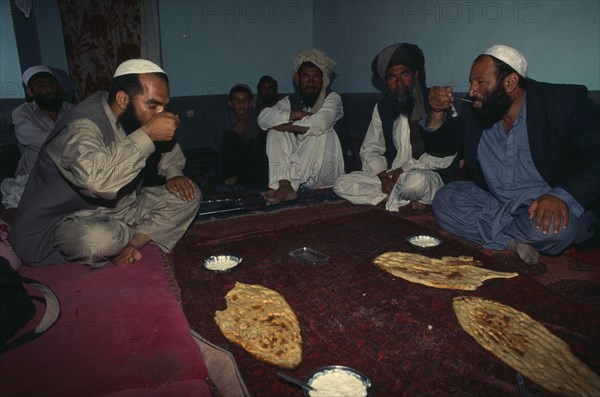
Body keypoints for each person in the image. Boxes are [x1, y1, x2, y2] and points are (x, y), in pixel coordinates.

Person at [8, 59, 201, 267]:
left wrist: (174, 172)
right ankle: (126, 234)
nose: (160, 114)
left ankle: (131, 243)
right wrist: (148, 134)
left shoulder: (126, 114)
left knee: (189, 196)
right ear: (123, 99)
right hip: (66, 218)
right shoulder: (80, 126)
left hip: (121, 206)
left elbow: (165, 148)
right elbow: (97, 182)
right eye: (153, 105)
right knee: (98, 241)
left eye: (165, 106)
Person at [427, 44, 599, 264]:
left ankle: (504, 234)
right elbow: (440, 146)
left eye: (480, 82)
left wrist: (562, 195)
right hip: (497, 203)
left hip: (546, 204)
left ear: (510, 82)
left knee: (554, 231)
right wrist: (435, 112)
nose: (471, 91)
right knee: (445, 199)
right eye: (471, 83)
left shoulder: (562, 103)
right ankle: (514, 241)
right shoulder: (478, 110)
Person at [334, 43, 458, 211]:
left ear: (415, 75)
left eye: (404, 74)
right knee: (342, 183)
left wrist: (406, 169)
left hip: (428, 175)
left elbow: (443, 158)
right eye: (392, 77)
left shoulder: (436, 102)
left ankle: (396, 198)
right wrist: (384, 177)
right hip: (393, 175)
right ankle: (398, 199)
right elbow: (370, 149)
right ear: (385, 82)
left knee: (415, 183)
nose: (399, 82)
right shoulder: (382, 107)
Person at [258, 49, 344, 205]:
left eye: (316, 76)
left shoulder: (333, 98)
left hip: (327, 172)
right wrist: (295, 115)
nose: (311, 82)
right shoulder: (290, 101)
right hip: (301, 175)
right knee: (274, 132)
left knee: (320, 131)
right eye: (306, 76)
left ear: (323, 79)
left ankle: (286, 185)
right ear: (297, 79)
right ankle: (285, 186)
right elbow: (263, 118)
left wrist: (286, 126)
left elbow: (321, 123)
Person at [0, 66, 74, 208]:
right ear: (30, 92)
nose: (49, 90)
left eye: (52, 84)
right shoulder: (22, 112)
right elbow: (37, 141)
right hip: (34, 176)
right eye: (41, 85)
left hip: (73, 170)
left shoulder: (72, 109)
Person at [219, 83, 268, 187]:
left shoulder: (257, 115)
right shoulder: (225, 119)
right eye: (237, 101)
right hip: (233, 160)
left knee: (260, 141)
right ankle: (232, 175)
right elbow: (218, 145)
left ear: (250, 103)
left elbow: (258, 141)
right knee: (230, 136)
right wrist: (235, 132)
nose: (241, 104)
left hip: (252, 158)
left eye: (245, 100)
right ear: (230, 103)